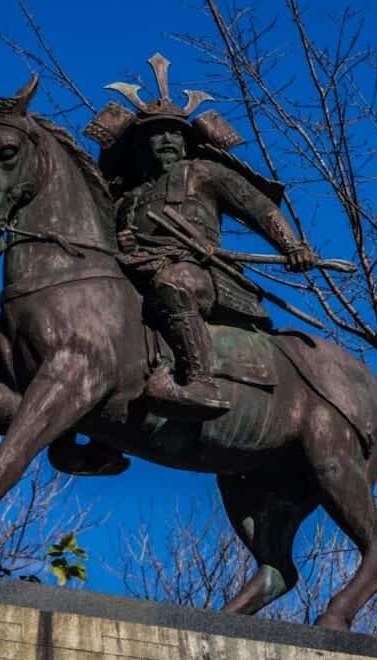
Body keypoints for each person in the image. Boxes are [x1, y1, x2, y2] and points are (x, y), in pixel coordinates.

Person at [84, 54, 318, 420]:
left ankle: (201, 382)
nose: (166, 139)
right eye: (155, 134)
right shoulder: (127, 195)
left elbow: (261, 209)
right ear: (140, 143)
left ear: (186, 140)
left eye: (174, 133)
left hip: (197, 271)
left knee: (173, 284)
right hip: (133, 270)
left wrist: (294, 247)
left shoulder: (204, 172)